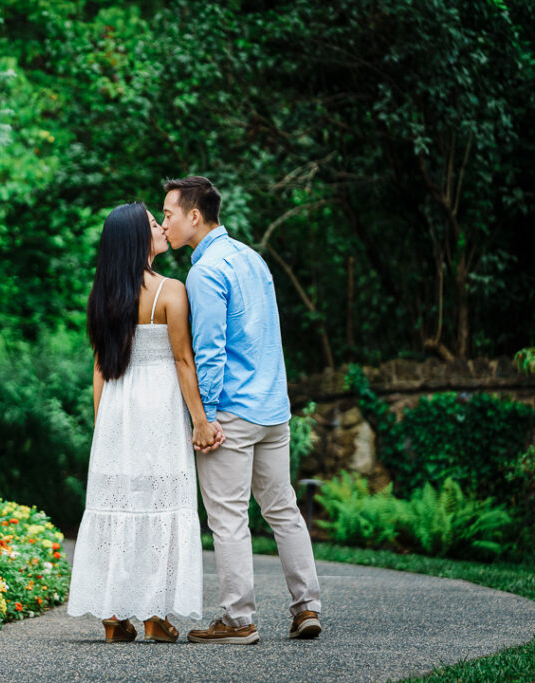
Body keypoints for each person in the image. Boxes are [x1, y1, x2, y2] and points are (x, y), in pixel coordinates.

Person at [160, 176, 322, 644]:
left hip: (231, 413)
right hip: (273, 409)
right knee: (284, 509)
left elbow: (210, 351)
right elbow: (268, 337)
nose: (165, 222)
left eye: (169, 214)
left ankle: (237, 621)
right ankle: (306, 607)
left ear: (194, 215)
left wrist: (203, 417)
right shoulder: (252, 258)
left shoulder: (205, 271)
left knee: (228, 517)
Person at [67, 202, 221, 643]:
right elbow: (182, 359)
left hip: (117, 405)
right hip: (159, 406)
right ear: (138, 238)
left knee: (118, 504)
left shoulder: (104, 294)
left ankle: (114, 617)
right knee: (160, 503)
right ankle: (155, 614)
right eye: (155, 224)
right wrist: (200, 420)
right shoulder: (170, 290)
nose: (162, 228)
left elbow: (100, 367)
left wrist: (103, 427)